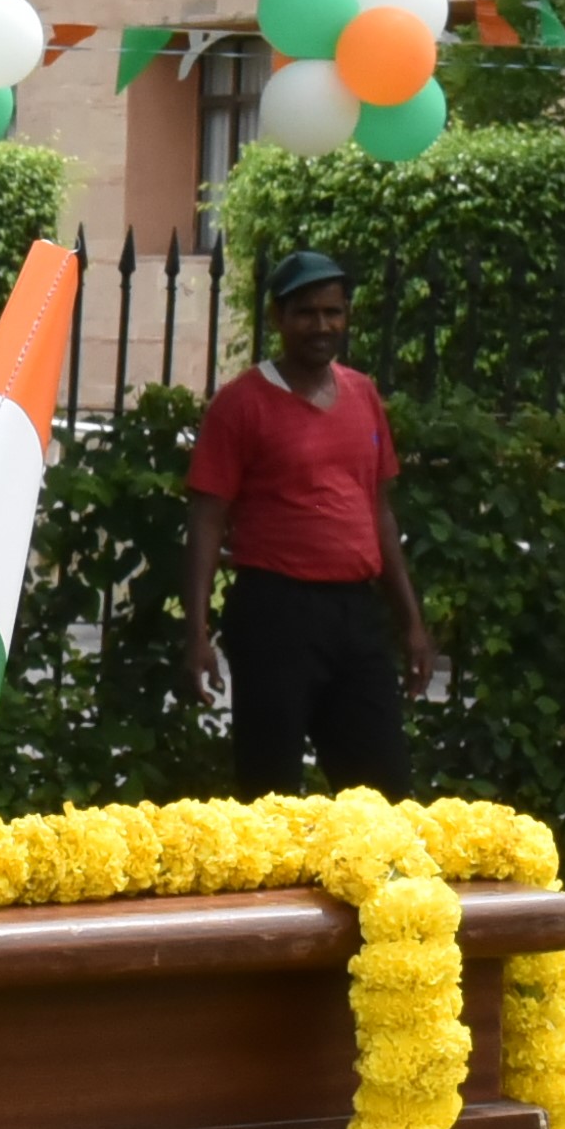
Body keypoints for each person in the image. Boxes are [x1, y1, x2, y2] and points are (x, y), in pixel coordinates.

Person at [181, 251, 433, 795]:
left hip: (356, 613)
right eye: (306, 313)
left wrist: (411, 621)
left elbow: (378, 511)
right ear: (278, 317)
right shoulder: (240, 404)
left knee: (383, 794)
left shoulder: (363, 394)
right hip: (276, 612)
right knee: (269, 790)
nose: (322, 326)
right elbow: (207, 519)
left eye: (333, 312)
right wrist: (196, 631)